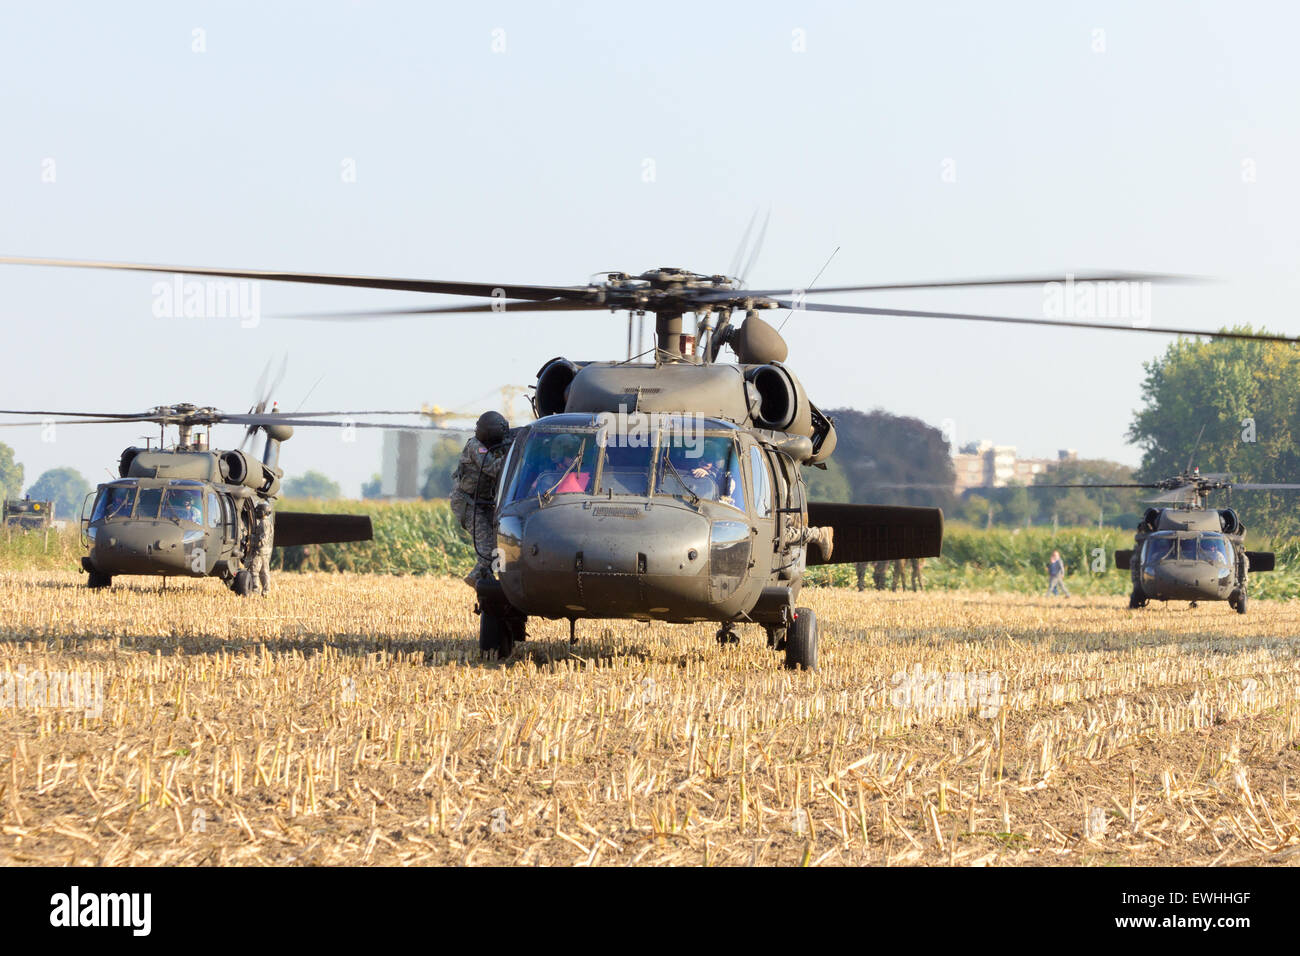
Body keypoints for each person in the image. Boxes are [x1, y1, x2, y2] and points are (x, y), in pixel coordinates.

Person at [450, 411, 513, 587]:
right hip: (467, 503)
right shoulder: (475, 447)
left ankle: (487, 579)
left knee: (499, 545)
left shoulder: (493, 447)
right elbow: (493, 468)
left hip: (483, 502)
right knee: (486, 551)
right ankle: (478, 580)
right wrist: (514, 452)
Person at [247, 501, 275, 595]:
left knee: (254, 570)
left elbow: (263, 538)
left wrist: (252, 539)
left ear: (263, 513)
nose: (257, 513)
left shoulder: (264, 523)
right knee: (264, 572)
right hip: (265, 551)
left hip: (260, 551)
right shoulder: (268, 523)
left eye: (258, 511)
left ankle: (255, 590)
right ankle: (266, 591)